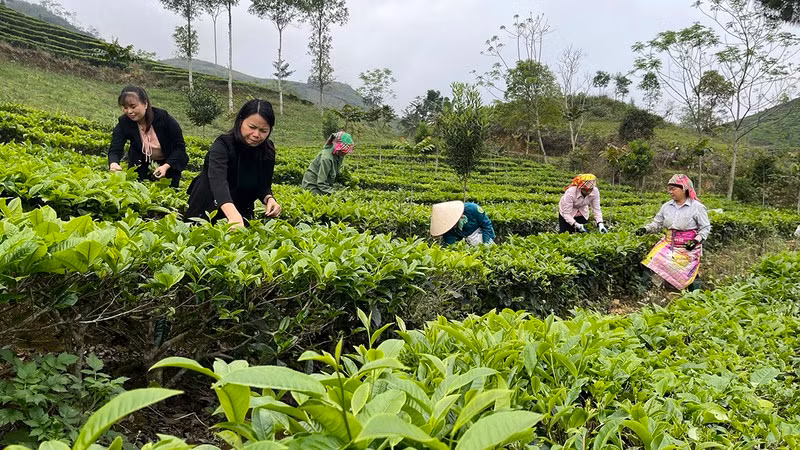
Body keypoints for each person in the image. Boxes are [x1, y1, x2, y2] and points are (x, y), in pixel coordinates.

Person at [185, 99, 282, 228]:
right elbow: (218, 182)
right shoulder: (222, 145)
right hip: (207, 210)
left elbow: (263, 185)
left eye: (263, 130)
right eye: (252, 127)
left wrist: (269, 199)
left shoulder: (267, 150)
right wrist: (233, 216)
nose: (256, 135)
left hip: (241, 212)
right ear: (241, 121)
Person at [636, 174, 711, 290]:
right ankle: (643, 291)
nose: (670, 192)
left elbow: (705, 228)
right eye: (669, 189)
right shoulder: (666, 206)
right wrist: (646, 229)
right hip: (669, 243)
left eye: (673, 189)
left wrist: (696, 241)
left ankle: (695, 297)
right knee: (650, 262)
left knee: (689, 272)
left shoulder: (697, 207)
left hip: (688, 246)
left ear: (684, 189)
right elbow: (657, 224)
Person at [108, 85, 188, 188]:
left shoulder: (164, 118)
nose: (129, 111)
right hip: (141, 165)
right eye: (125, 107)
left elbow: (179, 148)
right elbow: (115, 148)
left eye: (133, 106)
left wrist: (165, 167)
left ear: (145, 104)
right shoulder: (124, 122)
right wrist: (114, 162)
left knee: (166, 194)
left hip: (168, 165)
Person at [430, 201, 495, 246]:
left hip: (480, 234)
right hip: (466, 241)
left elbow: (487, 226)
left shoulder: (473, 209)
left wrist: (485, 243)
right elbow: (450, 244)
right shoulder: (447, 228)